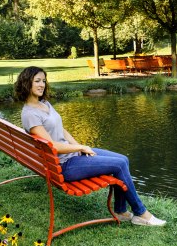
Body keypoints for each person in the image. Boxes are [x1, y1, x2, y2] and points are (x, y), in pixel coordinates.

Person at [13, 66, 166, 227]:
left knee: (123, 159)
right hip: (64, 166)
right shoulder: (30, 114)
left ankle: (121, 211)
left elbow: (62, 130)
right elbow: (52, 146)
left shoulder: (44, 103)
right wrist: (80, 148)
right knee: (119, 165)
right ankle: (141, 213)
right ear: (26, 83)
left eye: (43, 81)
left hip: (72, 156)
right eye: (37, 81)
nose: (42, 84)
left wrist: (78, 145)